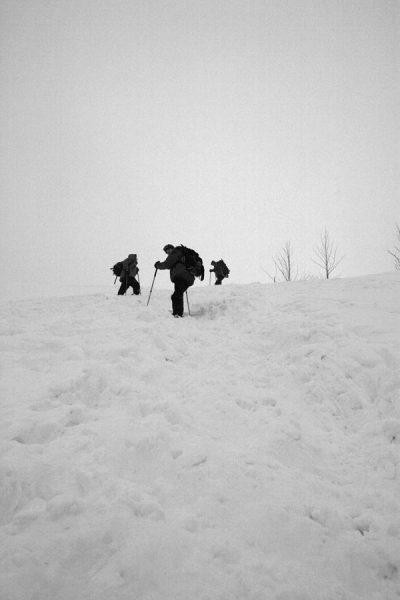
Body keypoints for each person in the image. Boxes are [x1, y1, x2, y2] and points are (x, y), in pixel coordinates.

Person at [154, 244, 194, 317]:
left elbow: (167, 264)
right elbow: (171, 265)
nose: (167, 252)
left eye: (168, 250)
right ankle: (178, 313)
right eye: (166, 251)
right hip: (187, 277)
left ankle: (177, 314)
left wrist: (158, 265)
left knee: (175, 296)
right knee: (178, 294)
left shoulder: (175, 253)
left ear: (172, 248)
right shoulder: (180, 255)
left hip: (181, 277)